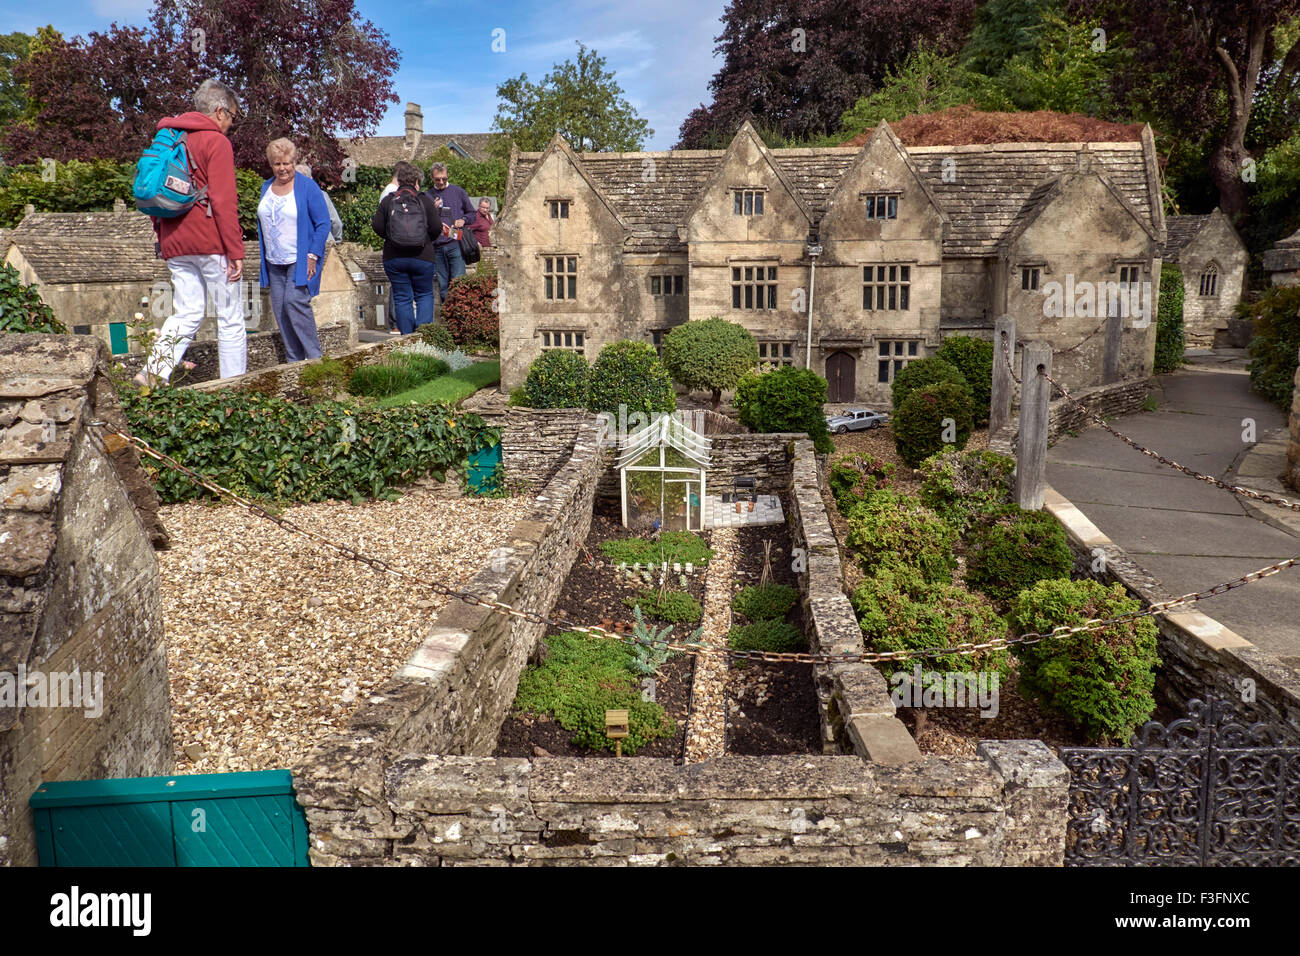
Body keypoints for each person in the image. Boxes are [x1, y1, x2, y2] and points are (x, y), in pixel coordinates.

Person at [136, 79, 245, 386]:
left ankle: (152, 374)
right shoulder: (216, 142)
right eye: (233, 117)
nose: (231, 125)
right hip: (210, 240)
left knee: (187, 313)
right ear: (220, 111)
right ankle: (235, 386)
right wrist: (235, 251)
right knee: (230, 317)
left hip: (174, 240)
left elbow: (156, 193)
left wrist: (163, 238)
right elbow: (224, 201)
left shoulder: (170, 137)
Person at [257, 138, 332, 362]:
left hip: (299, 259)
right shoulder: (266, 187)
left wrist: (312, 255)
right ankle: (294, 364)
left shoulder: (307, 187)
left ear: (294, 161)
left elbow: (323, 223)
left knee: (294, 302)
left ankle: (316, 359)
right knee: (280, 311)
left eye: (287, 163)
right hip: (273, 261)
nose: (282, 168)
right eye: (277, 164)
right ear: (271, 165)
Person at [371, 161, 441, 334]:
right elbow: (437, 227)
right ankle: (424, 338)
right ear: (417, 180)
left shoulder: (389, 200)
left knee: (402, 298)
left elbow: (377, 226)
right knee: (424, 295)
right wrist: (424, 239)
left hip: (395, 257)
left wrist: (392, 238)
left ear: (399, 180)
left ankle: (407, 339)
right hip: (422, 256)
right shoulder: (424, 200)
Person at [424, 162, 477, 302]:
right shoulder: (427, 195)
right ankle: (447, 318)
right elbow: (423, 222)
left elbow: (472, 214)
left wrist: (463, 220)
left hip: (456, 243)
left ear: (447, 176)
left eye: (444, 178)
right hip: (437, 247)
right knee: (443, 287)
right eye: (437, 179)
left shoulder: (459, 192)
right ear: (431, 178)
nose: (441, 182)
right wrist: (432, 211)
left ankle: (459, 318)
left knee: (459, 283)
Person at [296, 163, 343, 242]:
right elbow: (336, 222)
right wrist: (337, 240)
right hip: (324, 242)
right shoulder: (322, 195)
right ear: (311, 178)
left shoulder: (288, 197)